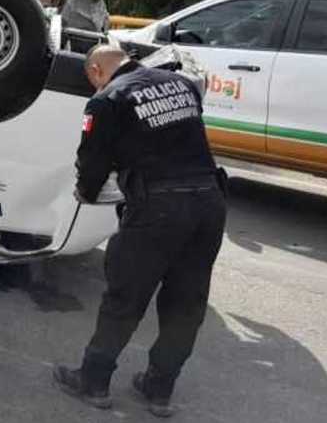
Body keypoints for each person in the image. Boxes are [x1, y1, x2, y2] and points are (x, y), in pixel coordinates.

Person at [53, 44, 226, 418]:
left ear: (97, 70)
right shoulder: (180, 83)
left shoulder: (108, 99)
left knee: (125, 297)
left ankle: (93, 381)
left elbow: (93, 160)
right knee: (186, 301)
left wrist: (86, 192)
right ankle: (159, 388)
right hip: (209, 203)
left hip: (158, 209)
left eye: (91, 81)